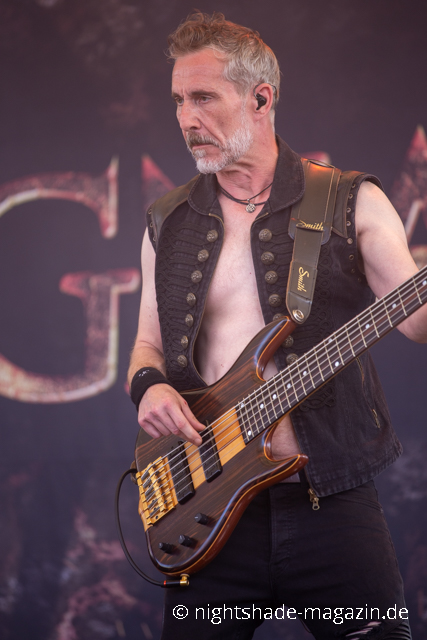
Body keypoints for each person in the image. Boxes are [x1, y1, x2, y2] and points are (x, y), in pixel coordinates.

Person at [128, 12, 426, 640]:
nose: (186, 118)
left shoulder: (351, 200)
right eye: (179, 99)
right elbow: (147, 344)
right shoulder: (165, 220)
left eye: (203, 97)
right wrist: (148, 387)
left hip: (331, 501)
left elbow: (417, 321)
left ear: (261, 99)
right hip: (206, 506)